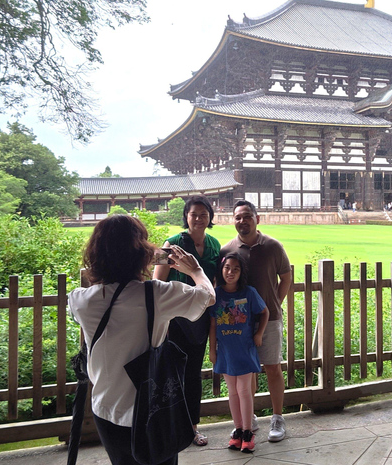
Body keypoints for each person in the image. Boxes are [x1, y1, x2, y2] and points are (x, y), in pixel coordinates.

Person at [68, 215, 215, 465]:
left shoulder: (81, 300)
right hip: (153, 411)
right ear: (142, 252)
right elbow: (207, 296)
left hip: (106, 410)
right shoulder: (156, 295)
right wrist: (195, 270)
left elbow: (103, 290)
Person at [221, 200, 291, 442]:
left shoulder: (272, 246)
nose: (243, 221)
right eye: (238, 217)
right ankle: (248, 418)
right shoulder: (227, 249)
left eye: (247, 216)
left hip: (269, 318)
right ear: (234, 220)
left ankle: (277, 417)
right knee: (246, 371)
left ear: (257, 218)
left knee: (272, 367)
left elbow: (286, 277)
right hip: (238, 322)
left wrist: (275, 303)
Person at [153, 195, 219, 446]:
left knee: (192, 373)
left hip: (200, 318)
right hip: (174, 318)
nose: (199, 218)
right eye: (194, 214)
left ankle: (192, 426)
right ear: (186, 217)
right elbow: (157, 280)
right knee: (171, 371)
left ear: (210, 217)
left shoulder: (214, 244)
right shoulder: (171, 243)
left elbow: (215, 280)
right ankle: (170, 426)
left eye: (204, 214)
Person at [209, 253, 269, 453]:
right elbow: (212, 324)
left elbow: (264, 312)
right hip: (225, 351)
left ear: (242, 272)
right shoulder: (216, 294)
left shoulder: (249, 293)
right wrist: (212, 350)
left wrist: (259, 333)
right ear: (221, 270)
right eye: (227, 268)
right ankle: (237, 430)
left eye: (236, 269)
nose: (230, 272)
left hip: (244, 349)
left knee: (244, 391)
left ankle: (247, 431)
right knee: (232, 392)